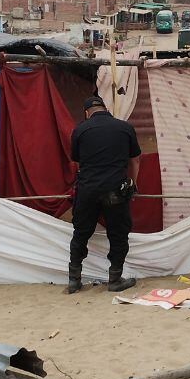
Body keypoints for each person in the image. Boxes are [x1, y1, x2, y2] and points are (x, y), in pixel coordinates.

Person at [67, 95, 141, 294]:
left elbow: (78, 162)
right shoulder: (125, 127)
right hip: (115, 189)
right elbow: (134, 161)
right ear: (106, 108)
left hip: (87, 190)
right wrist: (132, 184)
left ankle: (74, 281)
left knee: (81, 233)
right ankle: (115, 280)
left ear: (86, 113)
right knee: (118, 235)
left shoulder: (80, 130)